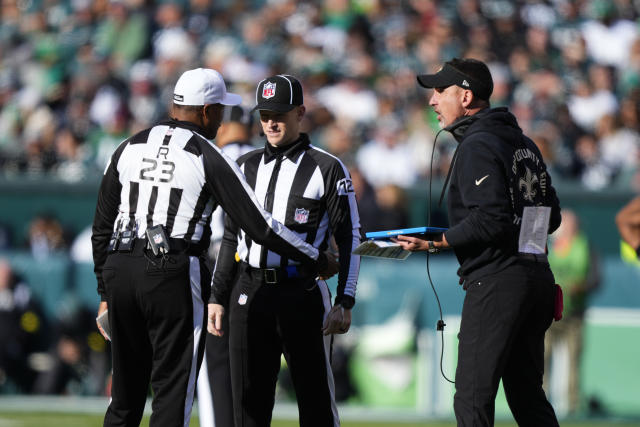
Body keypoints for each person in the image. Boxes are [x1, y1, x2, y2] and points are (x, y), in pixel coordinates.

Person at [91, 68, 337, 427]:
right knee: (172, 394)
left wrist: (104, 290)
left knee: (124, 398)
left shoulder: (128, 145)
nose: (222, 120)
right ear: (207, 111)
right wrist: (315, 256)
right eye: (220, 110)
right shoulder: (208, 153)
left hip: (119, 268)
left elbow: (101, 227)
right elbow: (260, 227)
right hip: (171, 269)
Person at [394, 58, 562, 426]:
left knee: (472, 398)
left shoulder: (478, 144)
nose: (432, 101)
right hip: (535, 279)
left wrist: (437, 242)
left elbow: (492, 219)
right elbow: (551, 215)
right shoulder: (525, 143)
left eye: (440, 91)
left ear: (466, 96)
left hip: (498, 283)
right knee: (528, 398)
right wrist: (527, 258)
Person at [208, 74, 361, 427]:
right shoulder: (243, 166)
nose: (271, 123)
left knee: (316, 404)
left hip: (303, 293)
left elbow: (350, 235)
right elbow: (230, 235)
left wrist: (345, 299)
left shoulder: (326, 167)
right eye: (265, 115)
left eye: (280, 113)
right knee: (247, 405)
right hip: (250, 291)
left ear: (300, 113)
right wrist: (217, 296)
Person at [197, 105, 255, 427]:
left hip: (219, 262)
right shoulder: (266, 159)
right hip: (259, 269)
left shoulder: (212, 156)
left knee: (216, 363)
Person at [544, 210, 599, 414]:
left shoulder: (585, 247)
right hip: (547, 315)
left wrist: (581, 286)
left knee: (573, 361)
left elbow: (596, 279)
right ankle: (541, 402)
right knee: (542, 359)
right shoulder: (547, 246)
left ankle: (573, 406)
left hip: (574, 314)